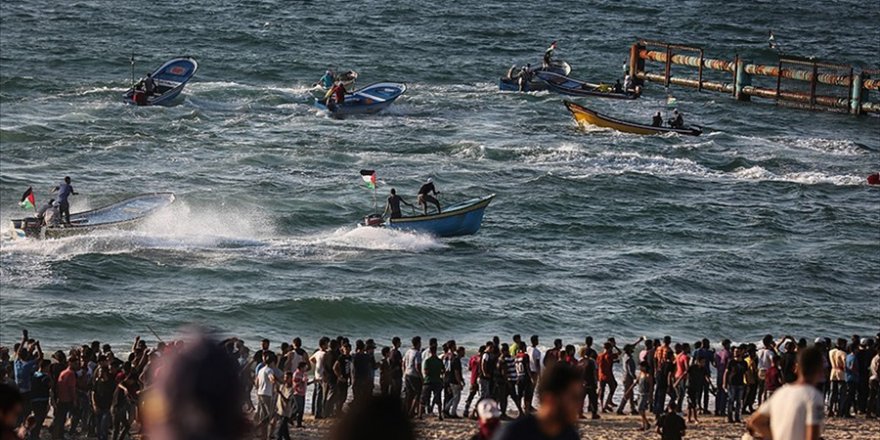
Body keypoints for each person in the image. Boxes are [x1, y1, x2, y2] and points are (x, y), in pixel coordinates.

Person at [748, 346, 825, 440]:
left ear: (796, 367)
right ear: (819, 368)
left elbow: (755, 421)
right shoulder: (814, 396)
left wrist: (773, 436)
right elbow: (812, 434)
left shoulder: (781, 392)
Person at [493, 363, 581, 440]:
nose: (579, 404)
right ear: (550, 399)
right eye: (574, 398)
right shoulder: (514, 434)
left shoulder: (569, 435)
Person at [254, 355, 279, 440]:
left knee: (264, 415)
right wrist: (274, 383)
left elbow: (256, 382)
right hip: (267, 395)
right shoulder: (269, 370)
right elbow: (271, 378)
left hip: (260, 393)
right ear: (272, 362)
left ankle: (263, 436)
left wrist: (258, 389)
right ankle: (256, 428)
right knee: (272, 415)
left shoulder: (261, 370)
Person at [724, 346, 748, 423]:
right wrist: (724, 383)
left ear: (741, 352)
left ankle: (737, 417)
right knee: (731, 400)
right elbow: (726, 372)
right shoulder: (731, 362)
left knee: (739, 401)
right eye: (735, 351)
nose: (736, 353)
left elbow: (746, 373)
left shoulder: (744, 363)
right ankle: (729, 417)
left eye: (737, 351)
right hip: (732, 383)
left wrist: (747, 383)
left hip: (740, 383)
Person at [403, 337, 423, 417]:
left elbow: (403, 362)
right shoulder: (417, 353)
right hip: (414, 375)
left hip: (407, 373)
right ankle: (411, 412)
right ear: (418, 343)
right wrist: (421, 377)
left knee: (409, 394)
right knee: (418, 393)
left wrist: (404, 372)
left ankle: (406, 410)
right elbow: (417, 366)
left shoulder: (408, 351)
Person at [275, 371, 296, 440]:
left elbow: (287, 400)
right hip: (280, 411)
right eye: (284, 377)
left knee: (279, 432)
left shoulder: (291, 389)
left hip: (286, 413)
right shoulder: (282, 386)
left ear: (291, 379)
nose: (285, 379)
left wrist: (280, 393)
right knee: (285, 432)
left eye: (287, 378)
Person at [291, 362, 308, 428]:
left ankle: (299, 423)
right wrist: (302, 381)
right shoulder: (296, 374)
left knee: (301, 409)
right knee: (298, 408)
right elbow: (295, 384)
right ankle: (290, 418)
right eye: (305, 367)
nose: (306, 368)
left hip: (303, 393)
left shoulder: (304, 374)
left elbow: (306, 383)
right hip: (297, 393)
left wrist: (313, 381)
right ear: (301, 367)